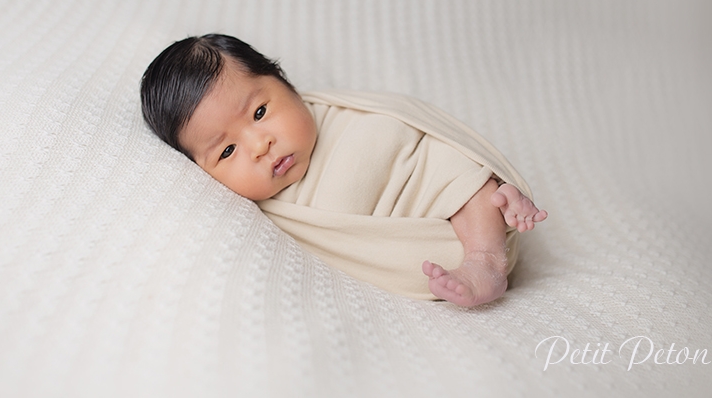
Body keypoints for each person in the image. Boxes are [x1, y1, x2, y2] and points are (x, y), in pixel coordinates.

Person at [141, 34, 547, 307]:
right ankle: (481, 234)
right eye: (227, 150)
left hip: (427, 174)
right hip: (410, 230)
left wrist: (478, 174)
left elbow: (424, 139)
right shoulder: (272, 214)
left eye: (261, 112)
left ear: (285, 81)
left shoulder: (346, 116)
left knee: (464, 179)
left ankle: (486, 254)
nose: (260, 145)